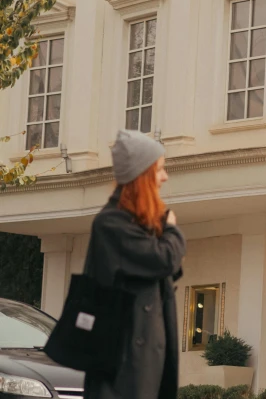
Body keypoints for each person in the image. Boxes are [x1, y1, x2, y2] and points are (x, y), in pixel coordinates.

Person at [83, 128, 186, 399]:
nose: (165, 177)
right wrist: (172, 229)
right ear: (142, 177)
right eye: (160, 170)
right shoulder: (111, 224)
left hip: (142, 361)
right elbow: (164, 260)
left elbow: (165, 268)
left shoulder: (136, 225)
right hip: (124, 366)